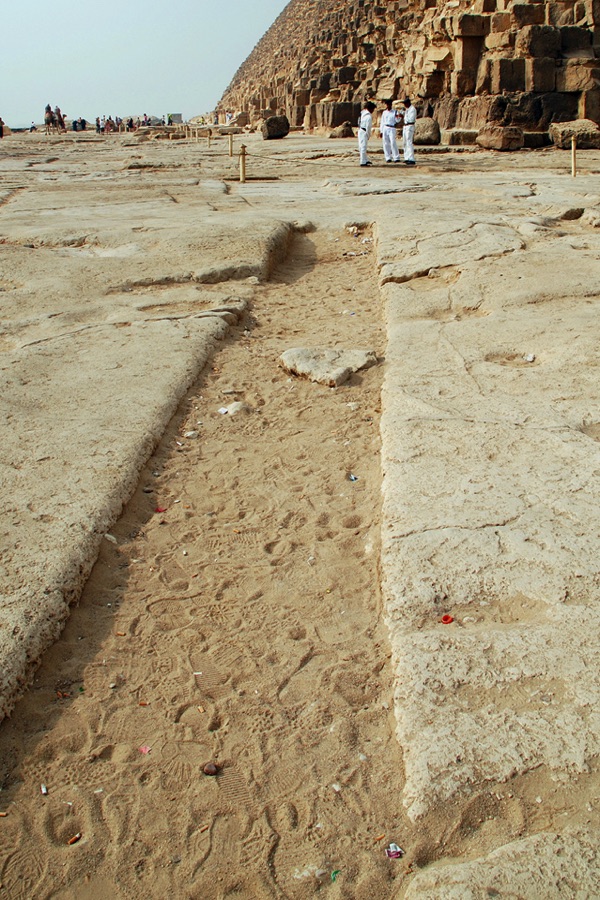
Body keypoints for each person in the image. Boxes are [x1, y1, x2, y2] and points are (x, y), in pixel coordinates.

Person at [380, 98, 401, 163]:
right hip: (385, 127)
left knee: (393, 142)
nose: (388, 106)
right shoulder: (384, 112)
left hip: (392, 128)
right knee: (386, 143)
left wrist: (399, 117)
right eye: (387, 104)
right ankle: (388, 157)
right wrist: (381, 131)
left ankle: (396, 157)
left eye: (389, 104)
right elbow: (382, 122)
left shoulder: (395, 112)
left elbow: (397, 120)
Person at [357, 100, 376, 167]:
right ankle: (363, 162)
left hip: (361, 130)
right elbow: (368, 127)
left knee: (361, 146)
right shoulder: (368, 116)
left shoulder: (363, 114)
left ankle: (365, 159)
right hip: (364, 131)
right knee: (363, 147)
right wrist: (368, 135)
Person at [401, 97, 417, 166]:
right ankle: (406, 157)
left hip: (410, 126)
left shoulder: (412, 109)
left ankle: (411, 158)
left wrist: (404, 116)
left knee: (409, 142)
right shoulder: (407, 109)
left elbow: (411, 119)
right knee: (405, 142)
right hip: (405, 126)